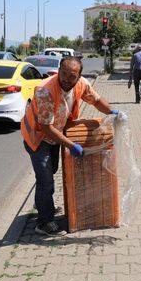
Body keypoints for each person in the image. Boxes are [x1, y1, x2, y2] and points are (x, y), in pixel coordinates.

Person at [21, 56, 118, 236]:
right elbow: (46, 128)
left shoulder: (81, 84)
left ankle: (43, 203)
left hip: (54, 134)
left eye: (71, 76)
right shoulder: (45, 91)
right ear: (58, 70)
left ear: (78, 76)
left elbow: (96, 101)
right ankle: (43, 222)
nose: (66, 79)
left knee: (52, 170)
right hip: (38, 136)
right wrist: (72, 145)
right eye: (63, 73)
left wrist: (112, 112)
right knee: (45, 179)